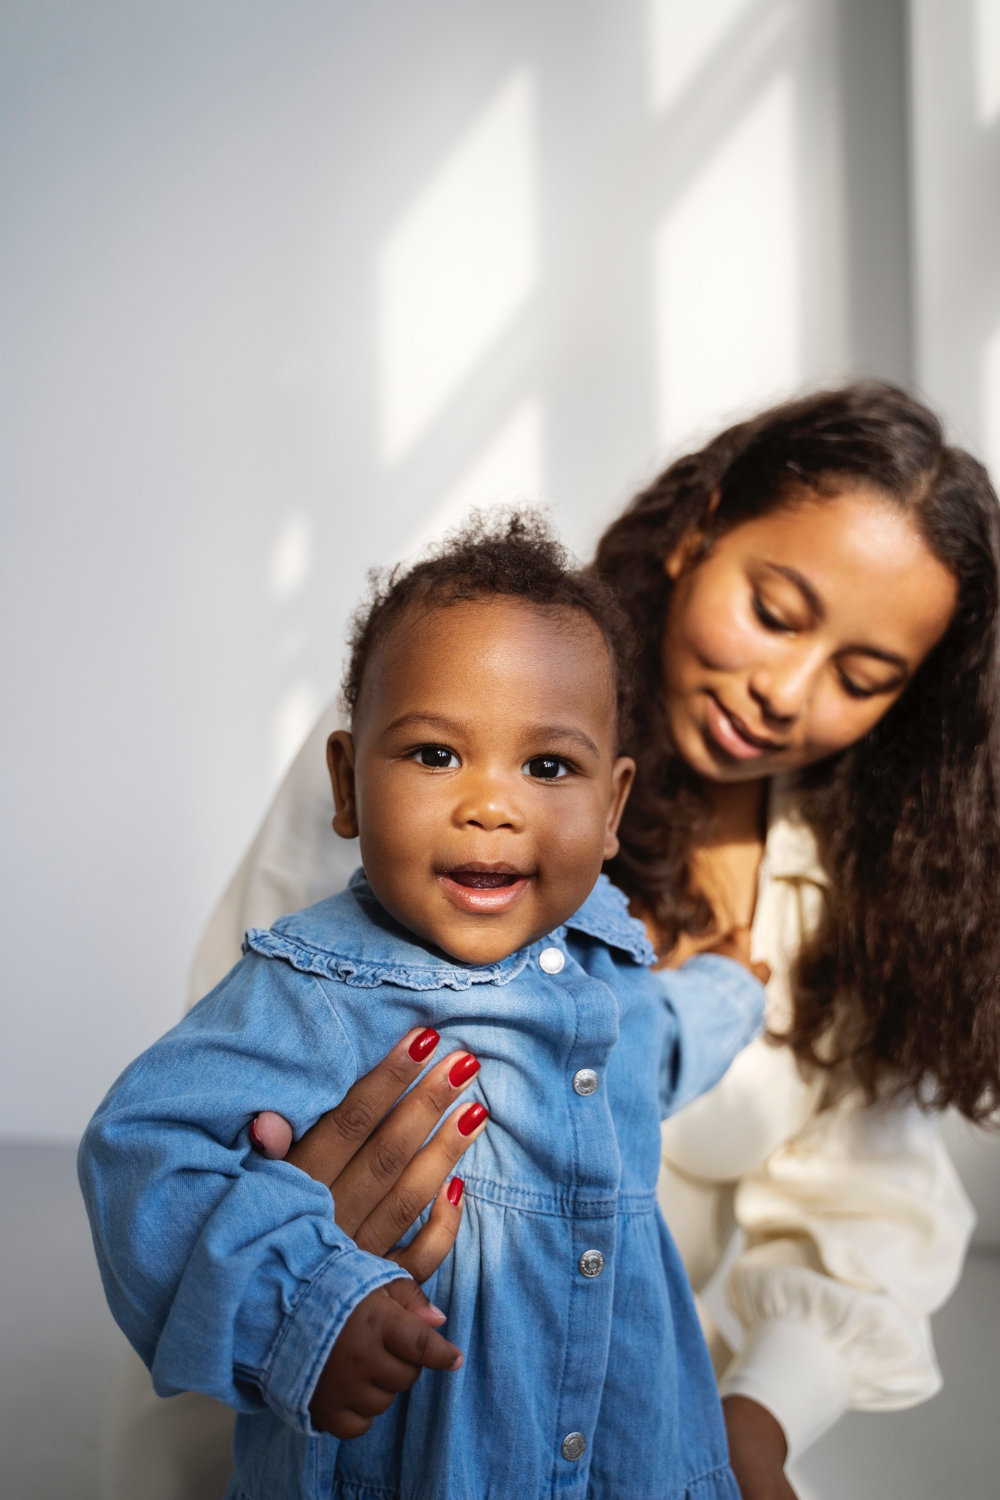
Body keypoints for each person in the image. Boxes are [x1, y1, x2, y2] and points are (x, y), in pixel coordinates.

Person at [167, 382, 997, 1500]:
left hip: (616, 1422)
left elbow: (859, 1201)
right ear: (698, 531)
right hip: (339, 1390)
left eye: (861, 678)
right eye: (774, 610)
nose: (784, 689)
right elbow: (218, 1098)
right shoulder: (424, 763)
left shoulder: (868, 891)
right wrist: (295, 1221)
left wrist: (752, 1422)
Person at [80, 518, 769, 1500]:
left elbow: (659, 1048)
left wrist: (734, 991)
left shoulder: (605, 973)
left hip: (633, 1455)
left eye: (546, 767)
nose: (491, 805)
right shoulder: (316, 992)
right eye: (436, 754)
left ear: (612, 809)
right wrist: (308, 1309)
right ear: (346, 784)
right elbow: (141, 1149)